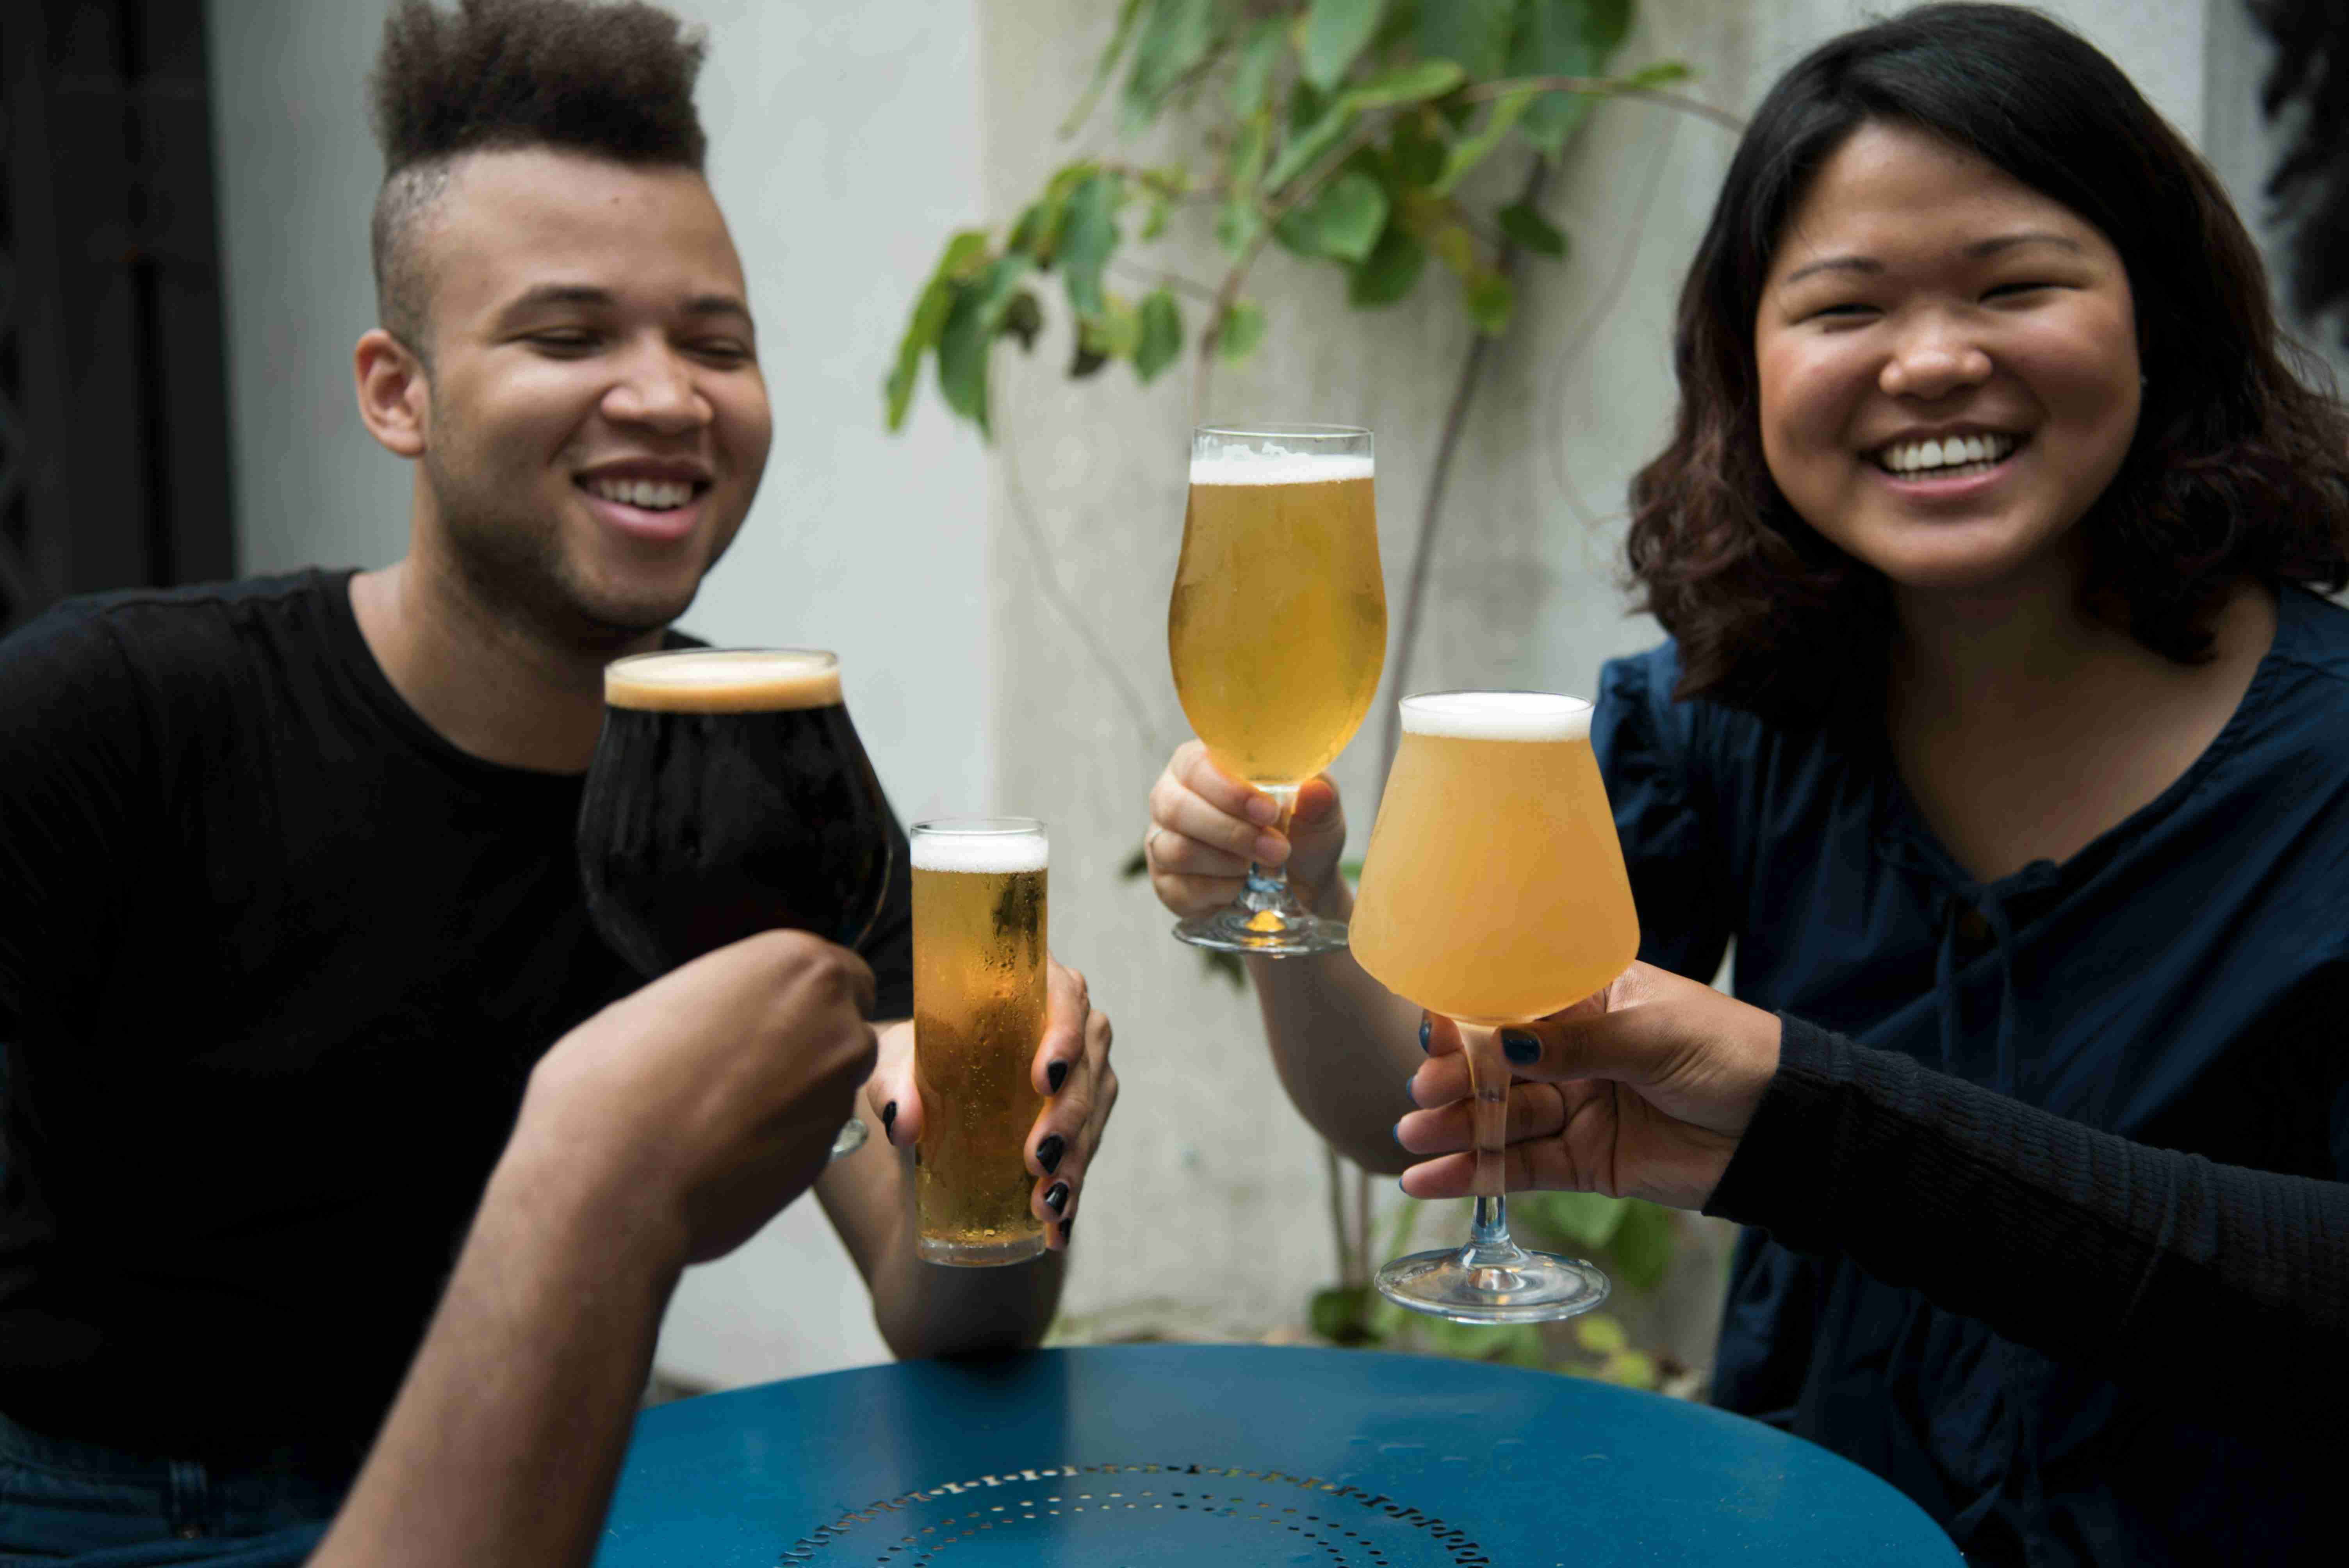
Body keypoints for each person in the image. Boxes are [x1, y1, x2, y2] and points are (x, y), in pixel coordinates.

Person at [1144, 5, 2349, 1563]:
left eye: (2016, 284)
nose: (1931, 362)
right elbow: (1446, 1103)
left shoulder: (2322, 766)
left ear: (2158, 313)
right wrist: (1297, 910)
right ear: (1744, 363)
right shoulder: (1729, 719)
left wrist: (1807, 1113)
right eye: (1843, 307)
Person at [0, 0, 1116, 1560]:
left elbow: (949, 1310)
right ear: (399, 392)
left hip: (562, 1464)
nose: (668, 395)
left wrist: (1007, 1154)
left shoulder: (760, 754)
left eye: (715, 343)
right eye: (569, 334)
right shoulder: (100, 716)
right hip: (89, 1507)